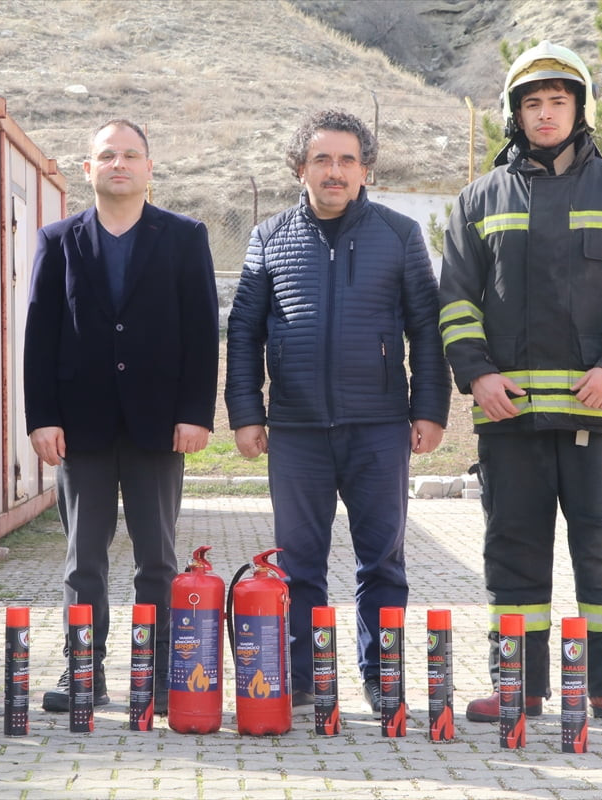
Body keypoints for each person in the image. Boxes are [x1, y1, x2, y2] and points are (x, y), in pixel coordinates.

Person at [437, 42, 602, 727]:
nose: (545, 114)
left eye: (558, 101)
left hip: (598, 414)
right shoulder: (479, 199)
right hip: (508, 416)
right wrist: (477, 376)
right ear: (515, 114)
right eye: (532, 103)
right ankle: (519, 685)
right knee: (512, 549)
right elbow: (456, 302)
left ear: (581, 108)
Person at [225, 109, 451, 712]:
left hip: (380, 427)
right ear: (300, 168)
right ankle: (301, 679)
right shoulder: (269, 237)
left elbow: (426, 329)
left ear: (365, 170)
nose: (335, 171)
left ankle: (381, 677)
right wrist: (247, 413)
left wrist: (430, 408)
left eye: (347, 160)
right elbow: (244, 331)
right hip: (296, 431)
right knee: (299, 564)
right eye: (321, 159)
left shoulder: (399, 235)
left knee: (383, 562)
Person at [23, 119, 219, 716]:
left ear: (149, 168)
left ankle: (158, 673)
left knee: (156, 559)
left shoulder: (184, 237)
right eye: (107, 155)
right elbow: (40, 334)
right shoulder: (58, 240)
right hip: (80, 428)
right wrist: (41, 417)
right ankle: (83, 669)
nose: (119, 164)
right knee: (83, 559)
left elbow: (202, 331)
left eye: (131, 155)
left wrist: (195, 412)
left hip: (158, 426)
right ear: (88, 169)